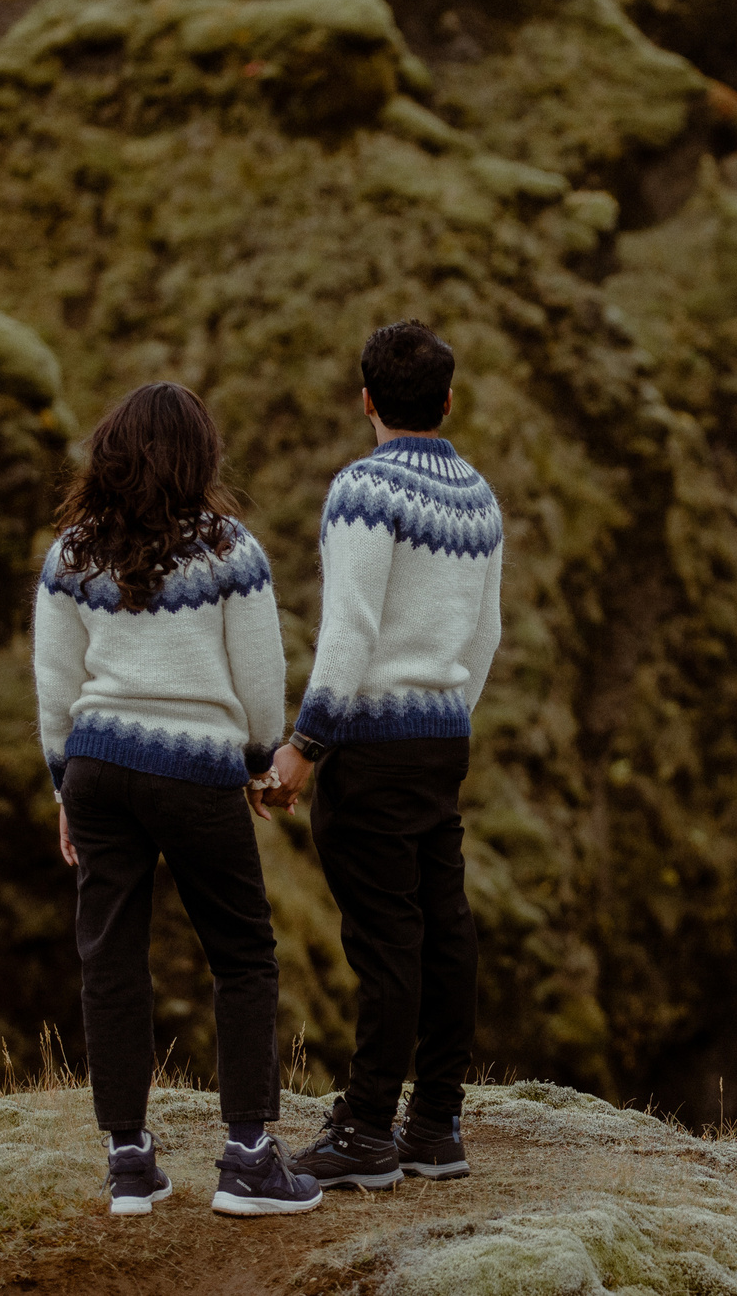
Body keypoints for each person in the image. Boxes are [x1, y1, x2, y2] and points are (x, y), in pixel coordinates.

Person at [35, 381, 323, 1220]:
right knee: (242, 954)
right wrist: (258, 761)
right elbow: (261, 677)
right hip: (195, 769)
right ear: (200, 456)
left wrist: (63, 785)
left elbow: (55, 684)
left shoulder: (72, 553)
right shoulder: (230, 549)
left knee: (111, 958)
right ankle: (248, 1159)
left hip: (97, 764)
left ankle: (129, 1161)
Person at [257, 320, 502, 1189]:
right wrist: (446, 716)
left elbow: (350, 631)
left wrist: (304, 745)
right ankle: (435, 1124)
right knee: (445, 927)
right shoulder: (479, 497)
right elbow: (486, 632)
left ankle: (365, 1129)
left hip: (371, 745)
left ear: (366, 399)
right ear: (447, 400)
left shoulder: (363, 490)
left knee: (387, 938)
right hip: (442, 736)